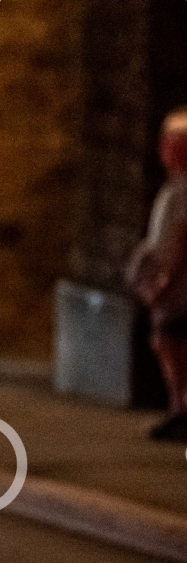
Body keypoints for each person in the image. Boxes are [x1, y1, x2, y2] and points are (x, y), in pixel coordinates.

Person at [125, 108, 187, 441]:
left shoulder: (183, 190)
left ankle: (180, 409)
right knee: (168, 343)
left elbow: (181, 241)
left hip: (179, 288)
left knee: (170, 344)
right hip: (173, 284)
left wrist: (165, 281)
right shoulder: (174, 187)